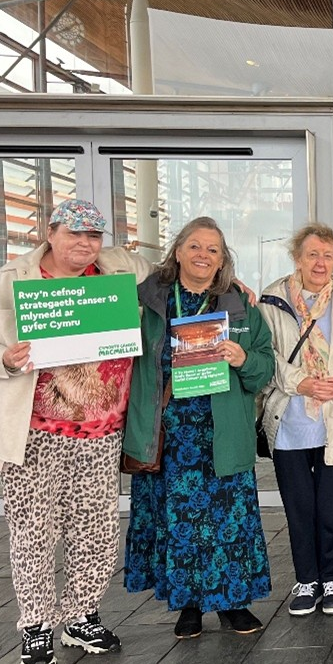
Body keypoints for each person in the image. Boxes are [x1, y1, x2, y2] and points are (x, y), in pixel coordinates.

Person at [0, 200, 150, 664]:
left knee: (96, 529)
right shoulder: (12, 282)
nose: (84, 245)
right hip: (34, 432)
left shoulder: (113, 272)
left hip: (100, 432)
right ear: (50, 233)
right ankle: (37, 626)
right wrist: (4, 357)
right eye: (74, 235)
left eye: (93, 237)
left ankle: (81, 616)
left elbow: (165, 271)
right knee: (32, 531)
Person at [124, 217, 276, 639]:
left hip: (221, 433)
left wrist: (243, 359)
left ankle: (234, 603)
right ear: (177, 251)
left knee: (230, 520)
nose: (203, 255)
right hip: (168, 435)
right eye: (195, 246)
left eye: (212, 249)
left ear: (223, 258)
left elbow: (265, 368)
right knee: (177, 522)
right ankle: (188, 605)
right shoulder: (146, 301)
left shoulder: (240, 305)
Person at [258, 223, 333, 617]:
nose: (320, 262)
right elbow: (267, 354)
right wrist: (301, 382)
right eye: (312, 254)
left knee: (331, 507)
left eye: (327, 255)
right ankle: (307, 580)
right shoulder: (272, 299)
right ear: (297, 257)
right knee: (299, 507)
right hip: (291, 419)